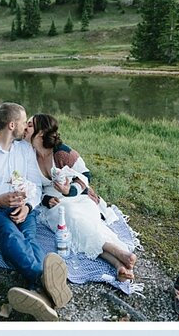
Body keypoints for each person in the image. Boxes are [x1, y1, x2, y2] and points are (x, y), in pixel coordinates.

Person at [0, 102, 70, 322]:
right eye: (23, 122)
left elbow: (35, 187)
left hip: (21, 208)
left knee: (28, 237)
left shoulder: (24, 149)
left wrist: (27, 206)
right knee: (11, 235)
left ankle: (39, 295)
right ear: (12, 125)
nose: (26, 127)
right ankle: (44, 282)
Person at [29, 113, 137, 288]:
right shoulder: (29, 154)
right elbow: (31, 186)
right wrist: (46, 198)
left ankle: (119, 255)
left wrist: (69, 190)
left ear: (40, 133)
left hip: (78, 198)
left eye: (29, 125)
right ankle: (119, 262)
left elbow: (85, 175)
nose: (25, 128)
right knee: (76, 227)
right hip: (55, 205)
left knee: (81, 223)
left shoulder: (62, 152)